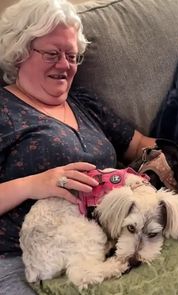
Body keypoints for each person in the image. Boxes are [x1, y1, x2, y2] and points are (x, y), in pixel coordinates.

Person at [0, 0, 156, 293]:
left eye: (71, 56)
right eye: (51, 54)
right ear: (19, 52)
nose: (64, 65)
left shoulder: (82, 102)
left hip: (105, 246)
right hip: (19, 261)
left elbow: (141, 146)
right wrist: (31, 185)